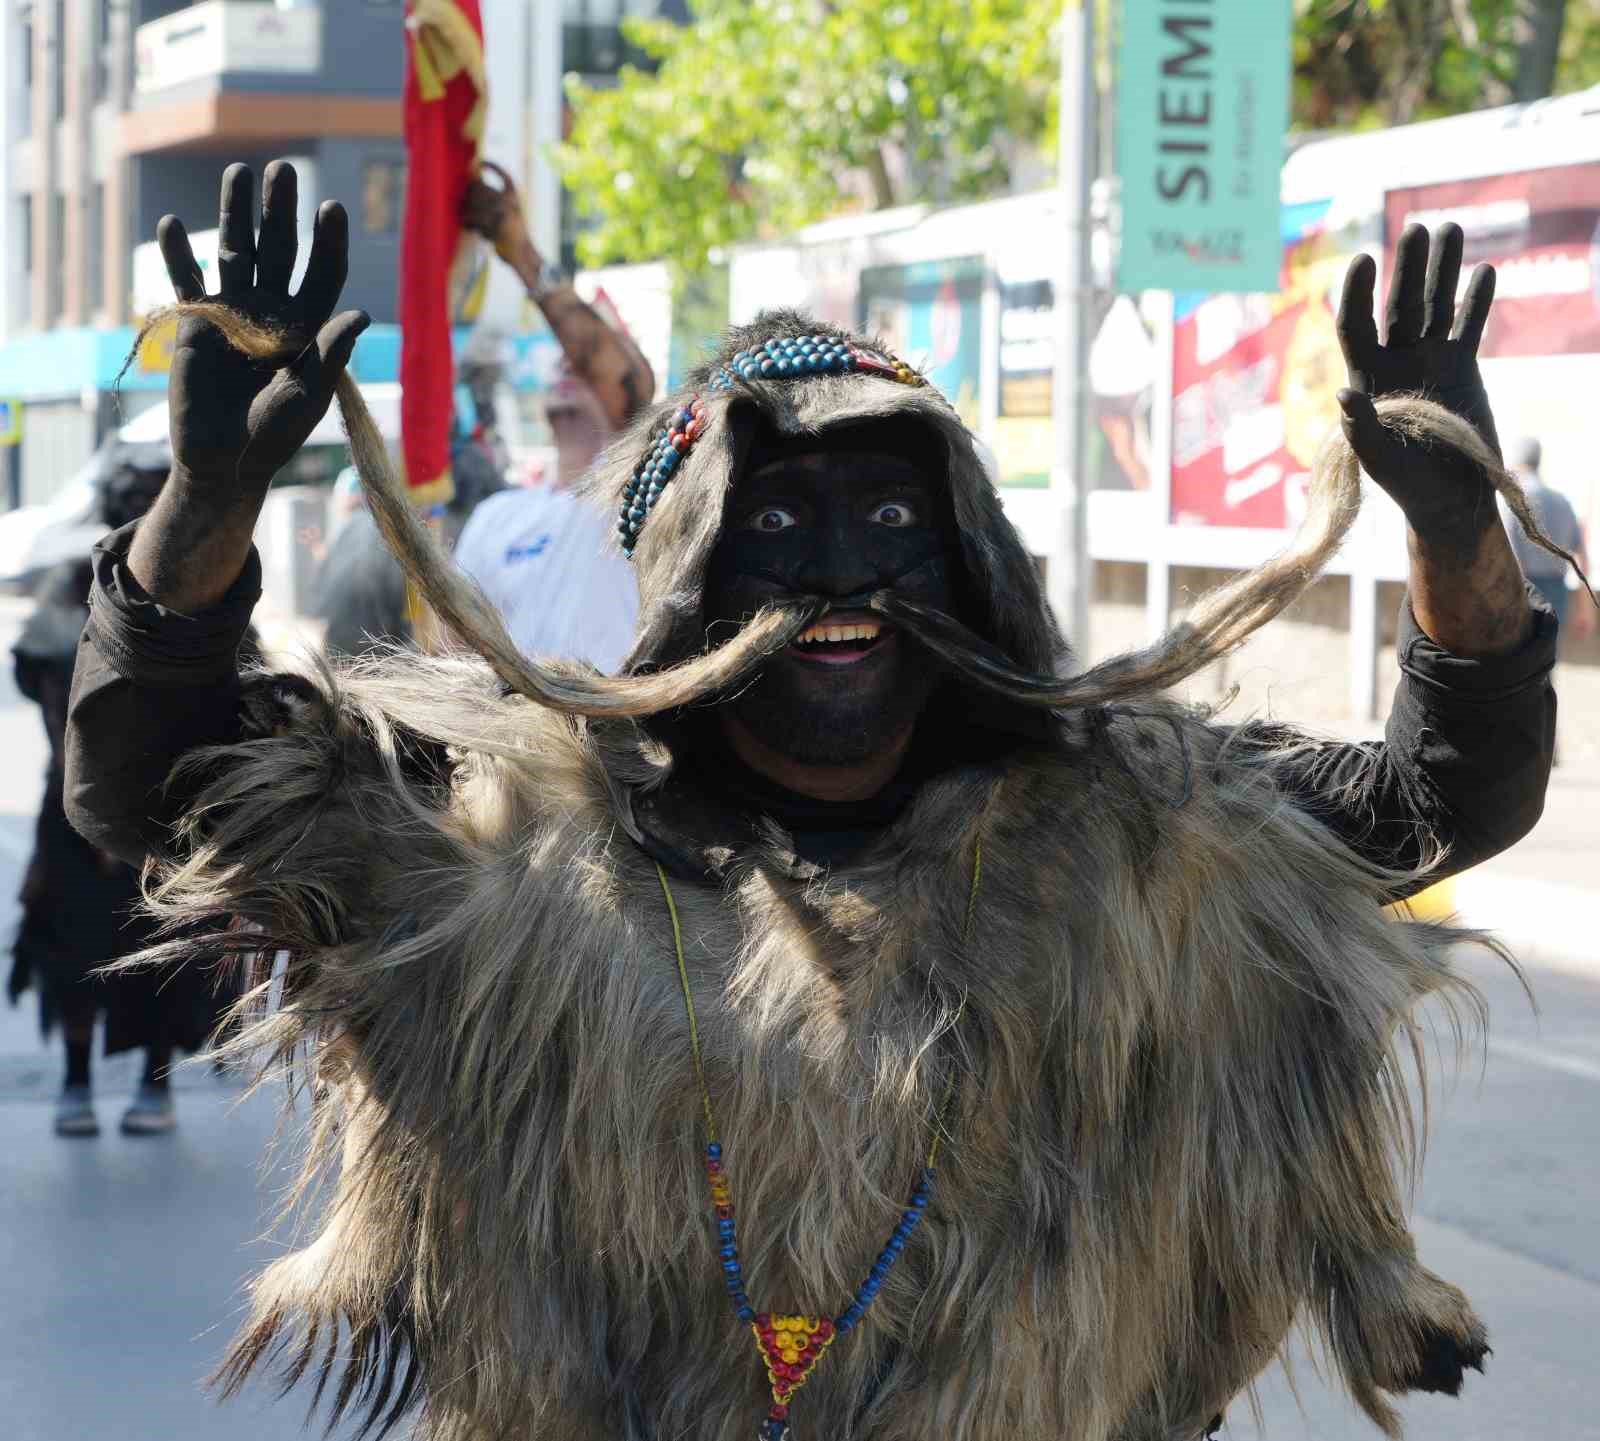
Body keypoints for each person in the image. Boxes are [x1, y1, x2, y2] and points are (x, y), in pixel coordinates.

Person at [65, 163, 1560, 1439]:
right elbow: (154, 782)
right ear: (689, 576)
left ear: (970, 558)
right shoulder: (508, 852)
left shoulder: (1139, 841)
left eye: (894, 517)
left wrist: (1452, 536)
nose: (841, 575)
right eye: (776, 521)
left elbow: (1439, 800)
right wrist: (200, 514)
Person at [7, 440, 235, 1136]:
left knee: (162, 945)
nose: (138, 507)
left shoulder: (205, 582)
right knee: (73, 943)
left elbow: (234, 688)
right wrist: (88, 795)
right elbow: (46, 680)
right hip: (75, 798)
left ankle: (153, 1083)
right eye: (127, 496)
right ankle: (75, 1081)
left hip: (171, 807)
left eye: (150, 496)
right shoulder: (75, 578)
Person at [450, 163, 650, 668]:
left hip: (618, 744)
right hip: (510, 743)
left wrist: (519, 251)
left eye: (582, 357)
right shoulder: (497, 518)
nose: (567, 361)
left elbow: (602, 363)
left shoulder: (644, 506)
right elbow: (449, 657)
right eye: (561, 355)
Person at [1499, 436, 1587, 633]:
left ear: (1517, 462)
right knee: (1549, 657)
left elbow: (1512, 554)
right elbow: (1581, 555)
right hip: (1558, 590)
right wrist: (1584, 608)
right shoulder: (1563, 501)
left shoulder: (1515, 500)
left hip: (1526, 590)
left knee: (1523, 658)